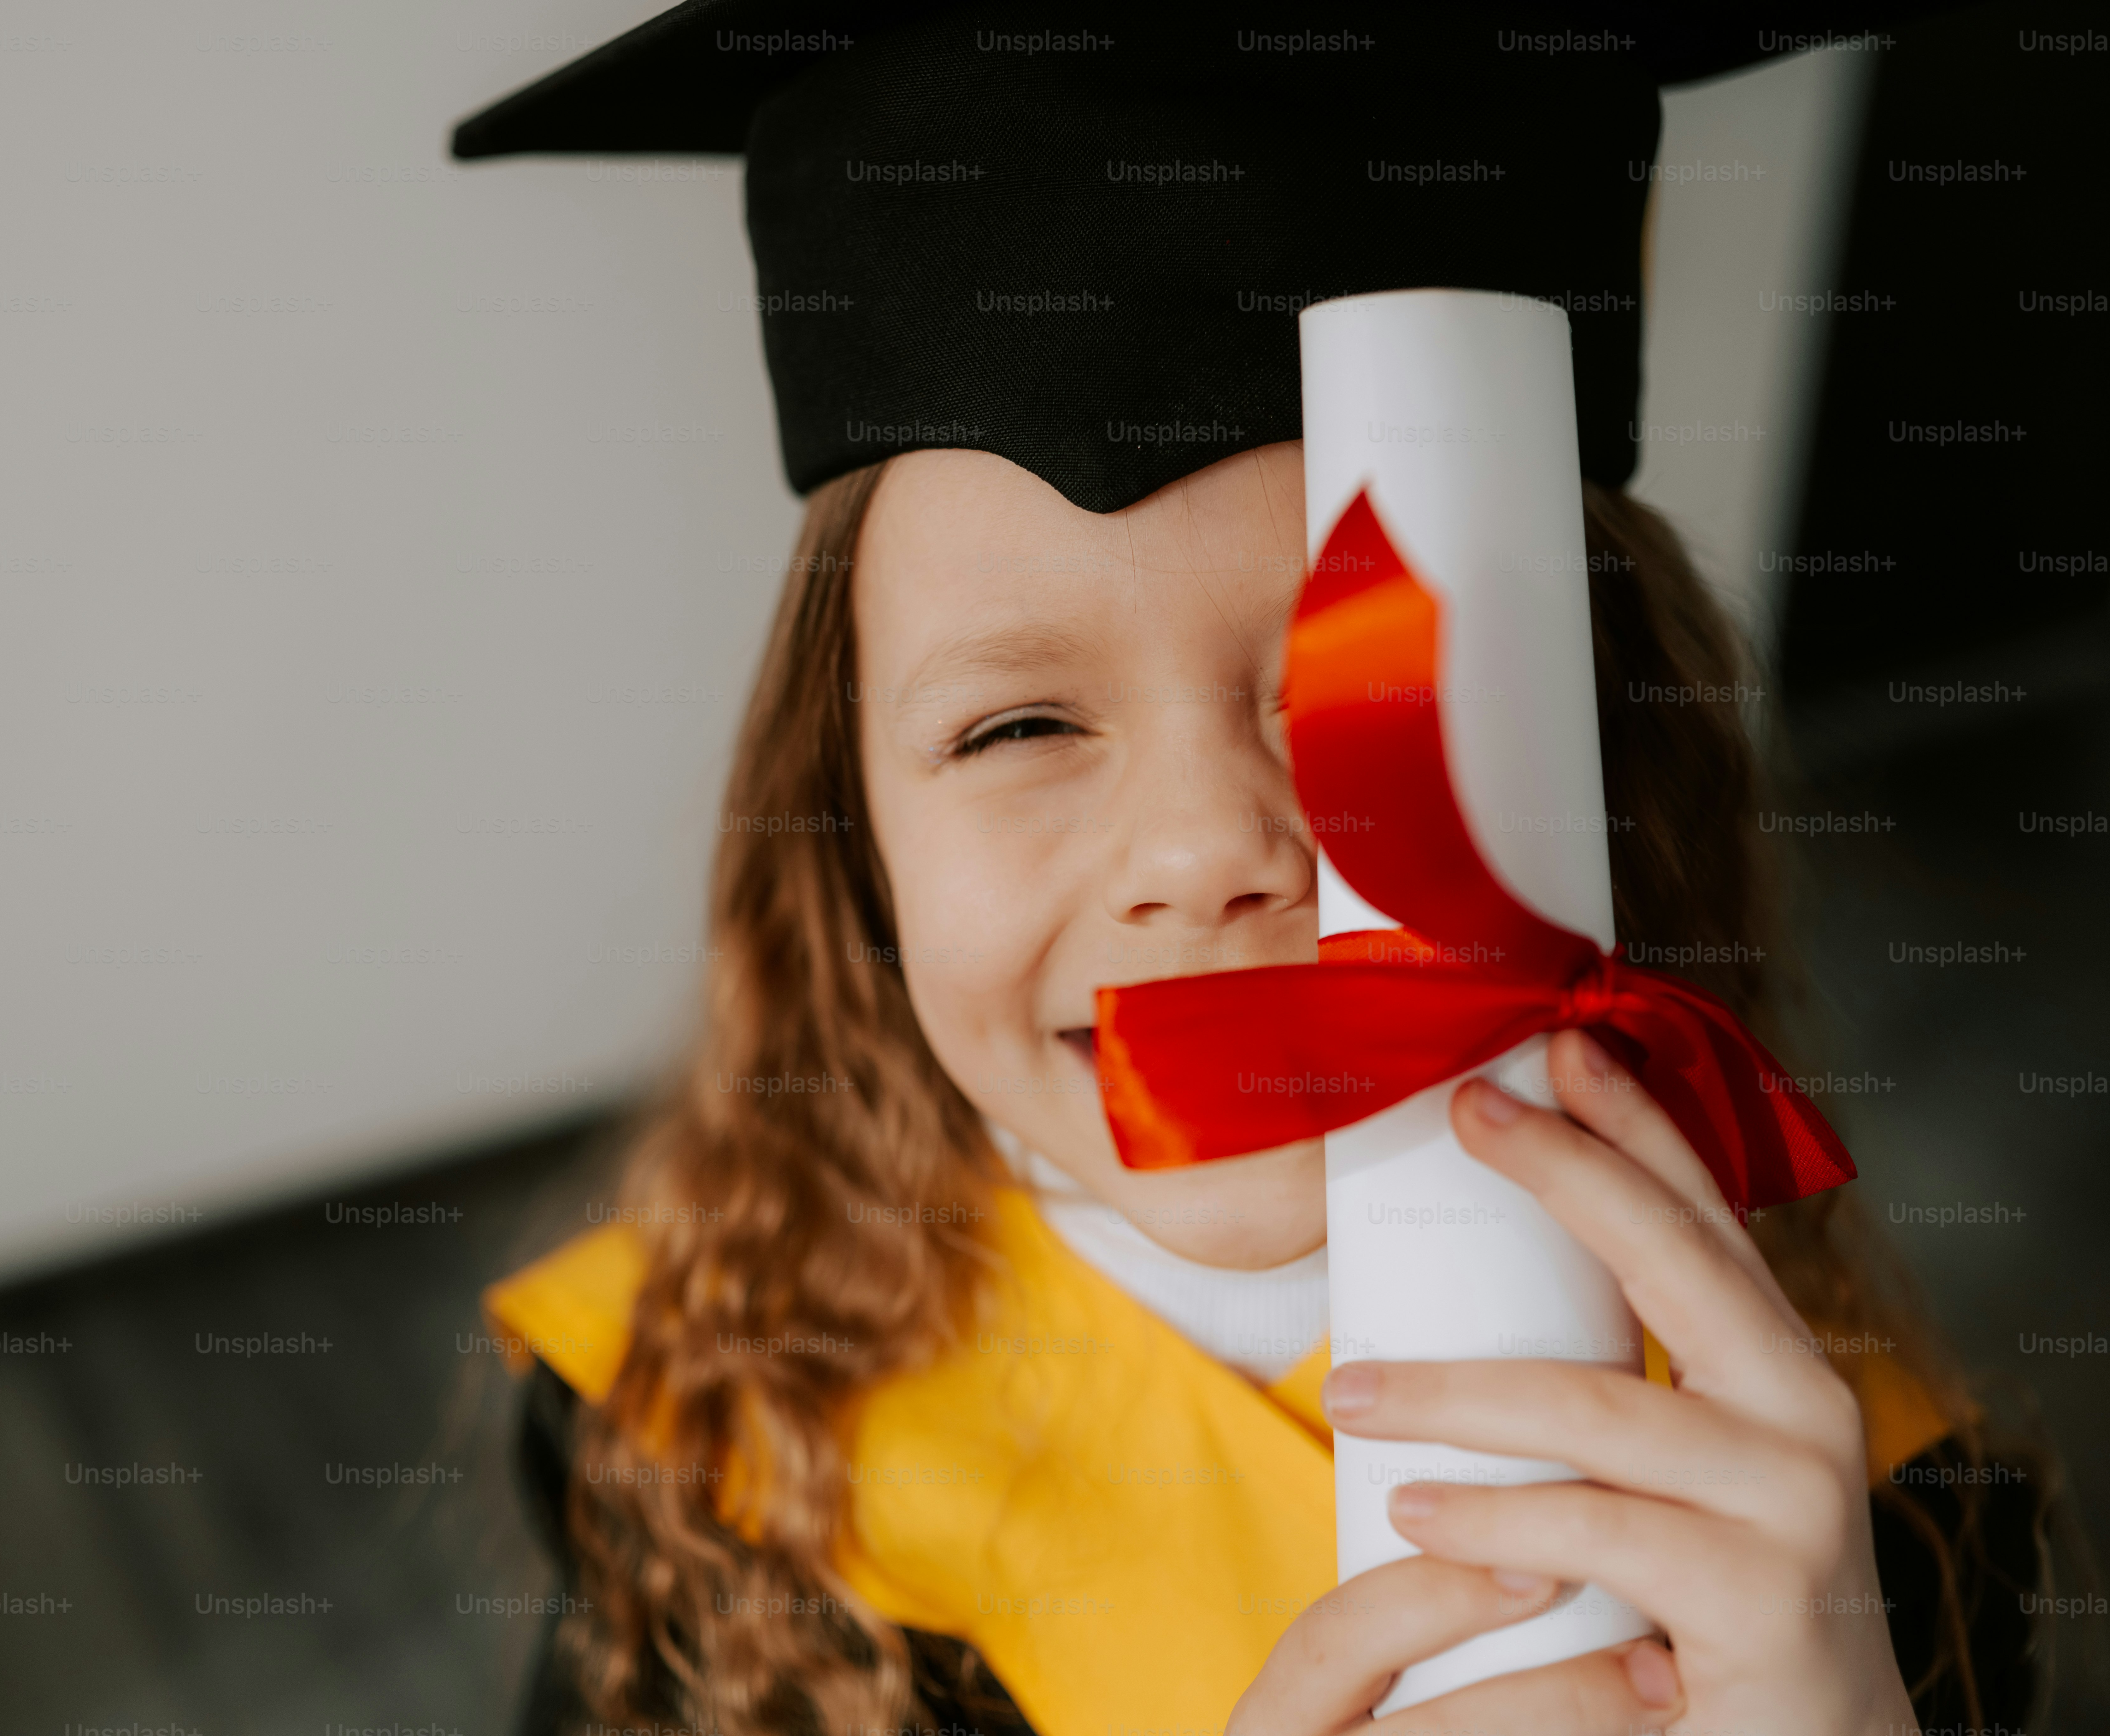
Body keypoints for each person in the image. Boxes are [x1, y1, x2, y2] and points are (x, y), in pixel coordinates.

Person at [455, 7, 2045, 1732]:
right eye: (1016, 728)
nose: (1212, 852)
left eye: (1367, 697)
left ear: (1624, 765)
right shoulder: (707, 1447)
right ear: (845, 837)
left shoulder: (1854, 1550)